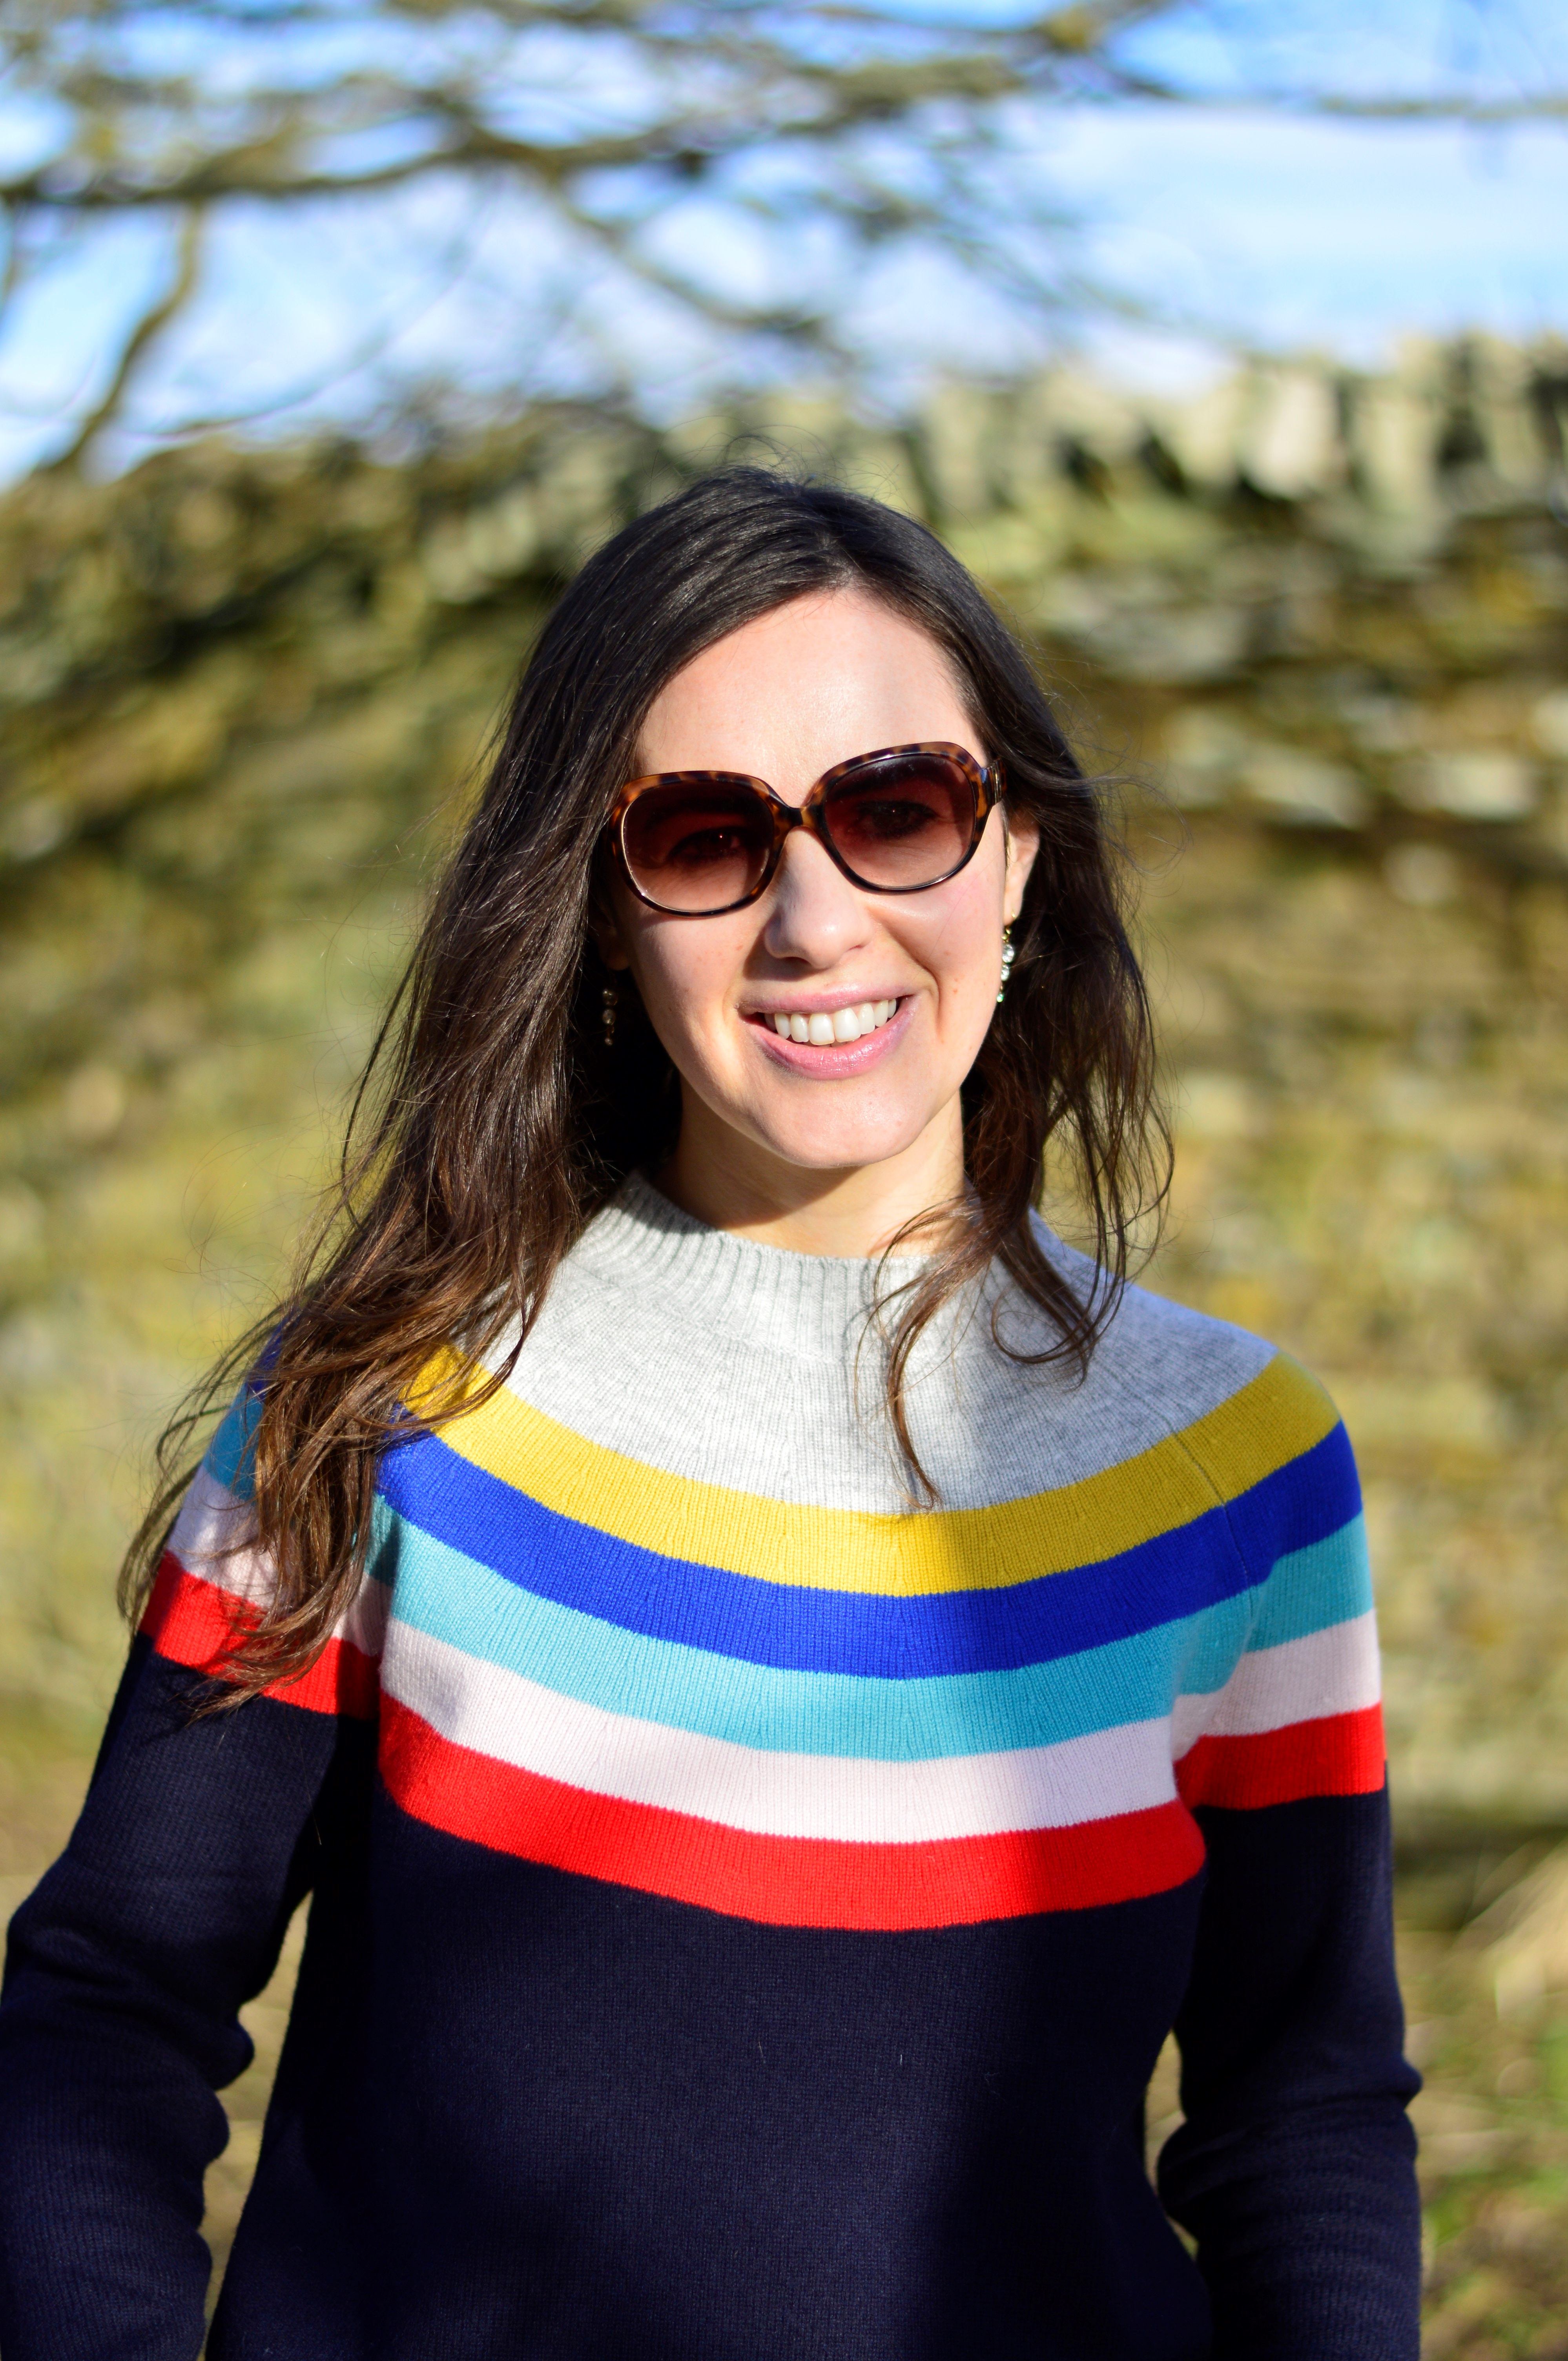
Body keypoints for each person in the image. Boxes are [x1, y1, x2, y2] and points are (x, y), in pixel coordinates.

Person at [0, 469, 1420, 2360]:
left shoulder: (1237, 1476)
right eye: (699, 836)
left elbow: (1300, 2112)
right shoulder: (377, 1407)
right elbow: (105, 2006)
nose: (815, 920)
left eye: (900, 808)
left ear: (1021, 858)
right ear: (595, 904)